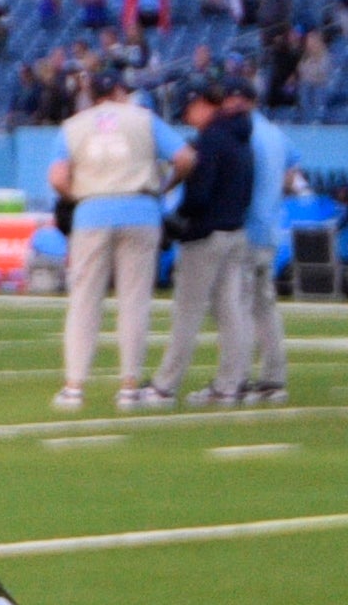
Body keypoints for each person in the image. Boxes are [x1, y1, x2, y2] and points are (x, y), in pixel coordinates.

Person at [48, 71, 169, 407]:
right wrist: (162, 189)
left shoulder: (73, 125)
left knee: (84, 300)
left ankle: (74, 386)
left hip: (92, 212)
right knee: (133, 301)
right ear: (120, 91)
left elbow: (57, 176)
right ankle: (129, 385)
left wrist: (80, 196)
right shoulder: (144, 119)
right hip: (140, 208)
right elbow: (185, 157)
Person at [152, 83, 257, 407]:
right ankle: (230, 385)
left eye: (189, 111)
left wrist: (178, 220)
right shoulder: (241, 139)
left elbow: (199, 195)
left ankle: (164, 386)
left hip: (206, 235)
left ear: (201, 105)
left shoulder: (210, 141)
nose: (188, 118)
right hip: (235, 231)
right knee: (231, 313)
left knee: (186, 313)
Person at [240, 89, 292, 402]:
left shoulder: (245, 134)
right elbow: (291, 173)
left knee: (239, 307)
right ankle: (274, 378)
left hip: (247, 229)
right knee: (265, 307)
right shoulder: (275, 133)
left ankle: (238, 376)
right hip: (270, 230)